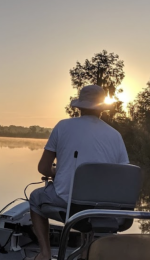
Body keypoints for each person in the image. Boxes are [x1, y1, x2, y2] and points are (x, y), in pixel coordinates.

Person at [26, 85, 129, 260]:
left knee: (36, 199)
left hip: (72, 204)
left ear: (79, 107)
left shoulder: (63, 126)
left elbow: (43, 168)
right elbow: (124, 175)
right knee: (88, 203)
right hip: (106, 207)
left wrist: (57, 173)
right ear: (102, 110)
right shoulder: (115, 135)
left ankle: (44, 254)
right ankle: (84, 255)